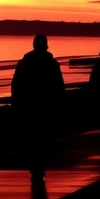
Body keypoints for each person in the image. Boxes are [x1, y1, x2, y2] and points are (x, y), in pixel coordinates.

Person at [10, 34, 66, 190]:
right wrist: (59, 105)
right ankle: (39, 169)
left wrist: (16, 103)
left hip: (29, 107)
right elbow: (59, 86)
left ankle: (35, 169)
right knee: (43, 140)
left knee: (31, 140)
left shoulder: (24, 63)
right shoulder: (51, 63)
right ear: (45, 45)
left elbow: (15, 85)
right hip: (45, 107)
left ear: (34, 45)